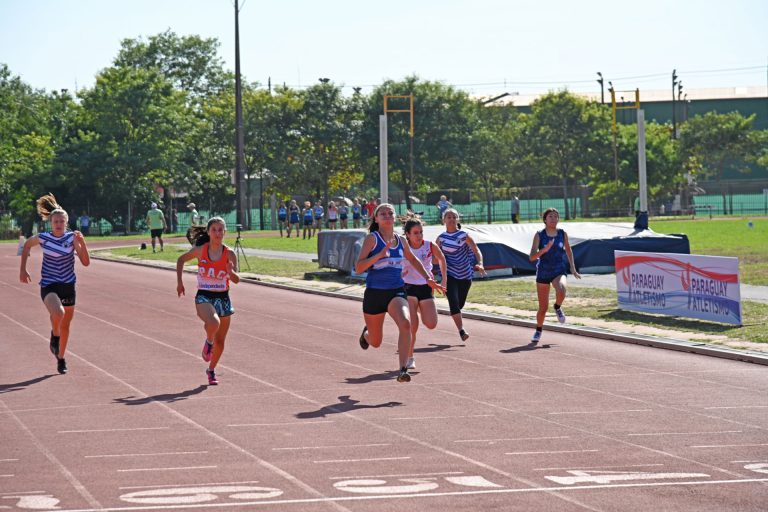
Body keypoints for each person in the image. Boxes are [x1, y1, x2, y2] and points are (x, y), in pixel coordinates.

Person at [355, 203, 443, 383]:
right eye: (383, 214)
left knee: (406, 323)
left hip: (395, 291)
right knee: (376, 341)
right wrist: (378, 256)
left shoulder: (401, 241)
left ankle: (403, 369)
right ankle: (366, 334)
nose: (387, 216)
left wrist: (428, 278)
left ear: (395, 218)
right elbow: (358, 267)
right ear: (376, 219)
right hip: (374, 294)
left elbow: (413, 259)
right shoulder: (372, 239)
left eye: (390, 213)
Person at [19, 193, 91, 375]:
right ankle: (54, 336)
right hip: (49, 285)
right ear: (51, 223)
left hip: (68, 286)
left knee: (65, 325)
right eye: (55, 222)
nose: (58, 225)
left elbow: (85, 262)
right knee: (58, 313)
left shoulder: (72, 238)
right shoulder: (44, 238)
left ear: (66, 223)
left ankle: (61, 358)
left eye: (61, 222)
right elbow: (26, 245)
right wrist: (23, 269)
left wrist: (82, 243)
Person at [176, 217, 240, 385]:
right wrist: (180, 283)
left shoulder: (230, 253)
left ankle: (211, 370)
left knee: (221, 341)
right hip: (204, 295)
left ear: (225, 232)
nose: (218, 233)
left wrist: (230, 272)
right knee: (213, 322)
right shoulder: (201, 250)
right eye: (214, 230)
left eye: (221, 230)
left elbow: (236, 280)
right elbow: (180, 260)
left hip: (223, 297)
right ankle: (208, 342)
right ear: (209, 232)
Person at [401, 215, 447, 370]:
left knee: (431, 324)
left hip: (426, 286)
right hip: (408, 287)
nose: (419, 236)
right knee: (413, 326)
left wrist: (444, 280)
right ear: (407, 234)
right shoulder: (403, 247)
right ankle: (410, 357)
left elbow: (442, 259)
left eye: (421, 232)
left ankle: (421, 309)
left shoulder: (429, 245)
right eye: (415, 233)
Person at [529, 208, 581, 343]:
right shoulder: (539, 235)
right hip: (543, 272)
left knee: (562, 289)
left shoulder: (562, 234)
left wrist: (573, 268)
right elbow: (532, 257)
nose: (553, 219)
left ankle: (557, 307)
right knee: (543, 308)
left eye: (556, 216)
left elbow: (568, 250)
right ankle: (538, 330)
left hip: (558, 270)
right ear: (545, 219)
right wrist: (544, 250)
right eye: (550, 216)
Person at [436, 208, 486, 341]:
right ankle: (461, 330)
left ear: (458, 219)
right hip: (449, 274)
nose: (451, 219)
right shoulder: (441, 239)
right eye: (449, 217)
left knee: (459, 304)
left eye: (454, 217)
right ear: (443, 220)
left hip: (465, 274)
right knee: (453, 302)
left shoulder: (464, 235)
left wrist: (480, 263)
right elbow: (435, 257)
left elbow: (476, 250)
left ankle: (456, 313)